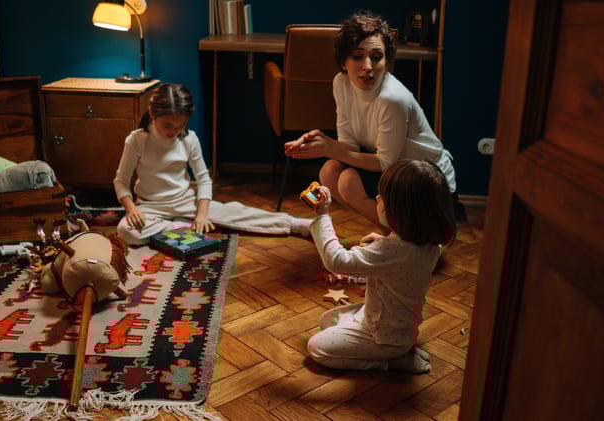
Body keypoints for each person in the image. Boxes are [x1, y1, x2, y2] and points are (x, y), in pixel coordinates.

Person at [284, 11, 457, 229]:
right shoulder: (341, 83)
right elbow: (349, 145)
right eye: (357, 56)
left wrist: (330, 148)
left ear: (386, 61)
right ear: (343, 62)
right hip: (396, 170)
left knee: (349, 182)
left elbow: (386, 162)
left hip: (428, 180)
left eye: (376, 57)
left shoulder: (392, 98)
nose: (368, 66)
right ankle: (393, 234)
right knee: (329, 171)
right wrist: (319, 141)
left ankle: (409, 239)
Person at [113, 83, 312, 245]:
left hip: (186, 203)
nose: (174, 131)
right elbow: (121, 181)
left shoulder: (190, 139)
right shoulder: (136, 140)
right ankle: (180, 226)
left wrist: (201, 215)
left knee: (234, 212)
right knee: (126, 231)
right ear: (152, 113)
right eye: (168, 125)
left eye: (180, 125)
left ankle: (297, 224)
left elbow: (203, 179)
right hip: (150, 207)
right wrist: (131, 209)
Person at [306, 159, 456, 373]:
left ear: (401, 212)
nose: (377, 197)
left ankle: (391, 362)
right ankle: (401, 351)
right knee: (327, 320)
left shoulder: (390, 250)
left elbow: (336, 260)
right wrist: (357, 274)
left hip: (383, 338)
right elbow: (400, 272)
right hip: (398, 329)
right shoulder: (431, 244)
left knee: (317, 347)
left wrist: (323, 217)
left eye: (383, 196)